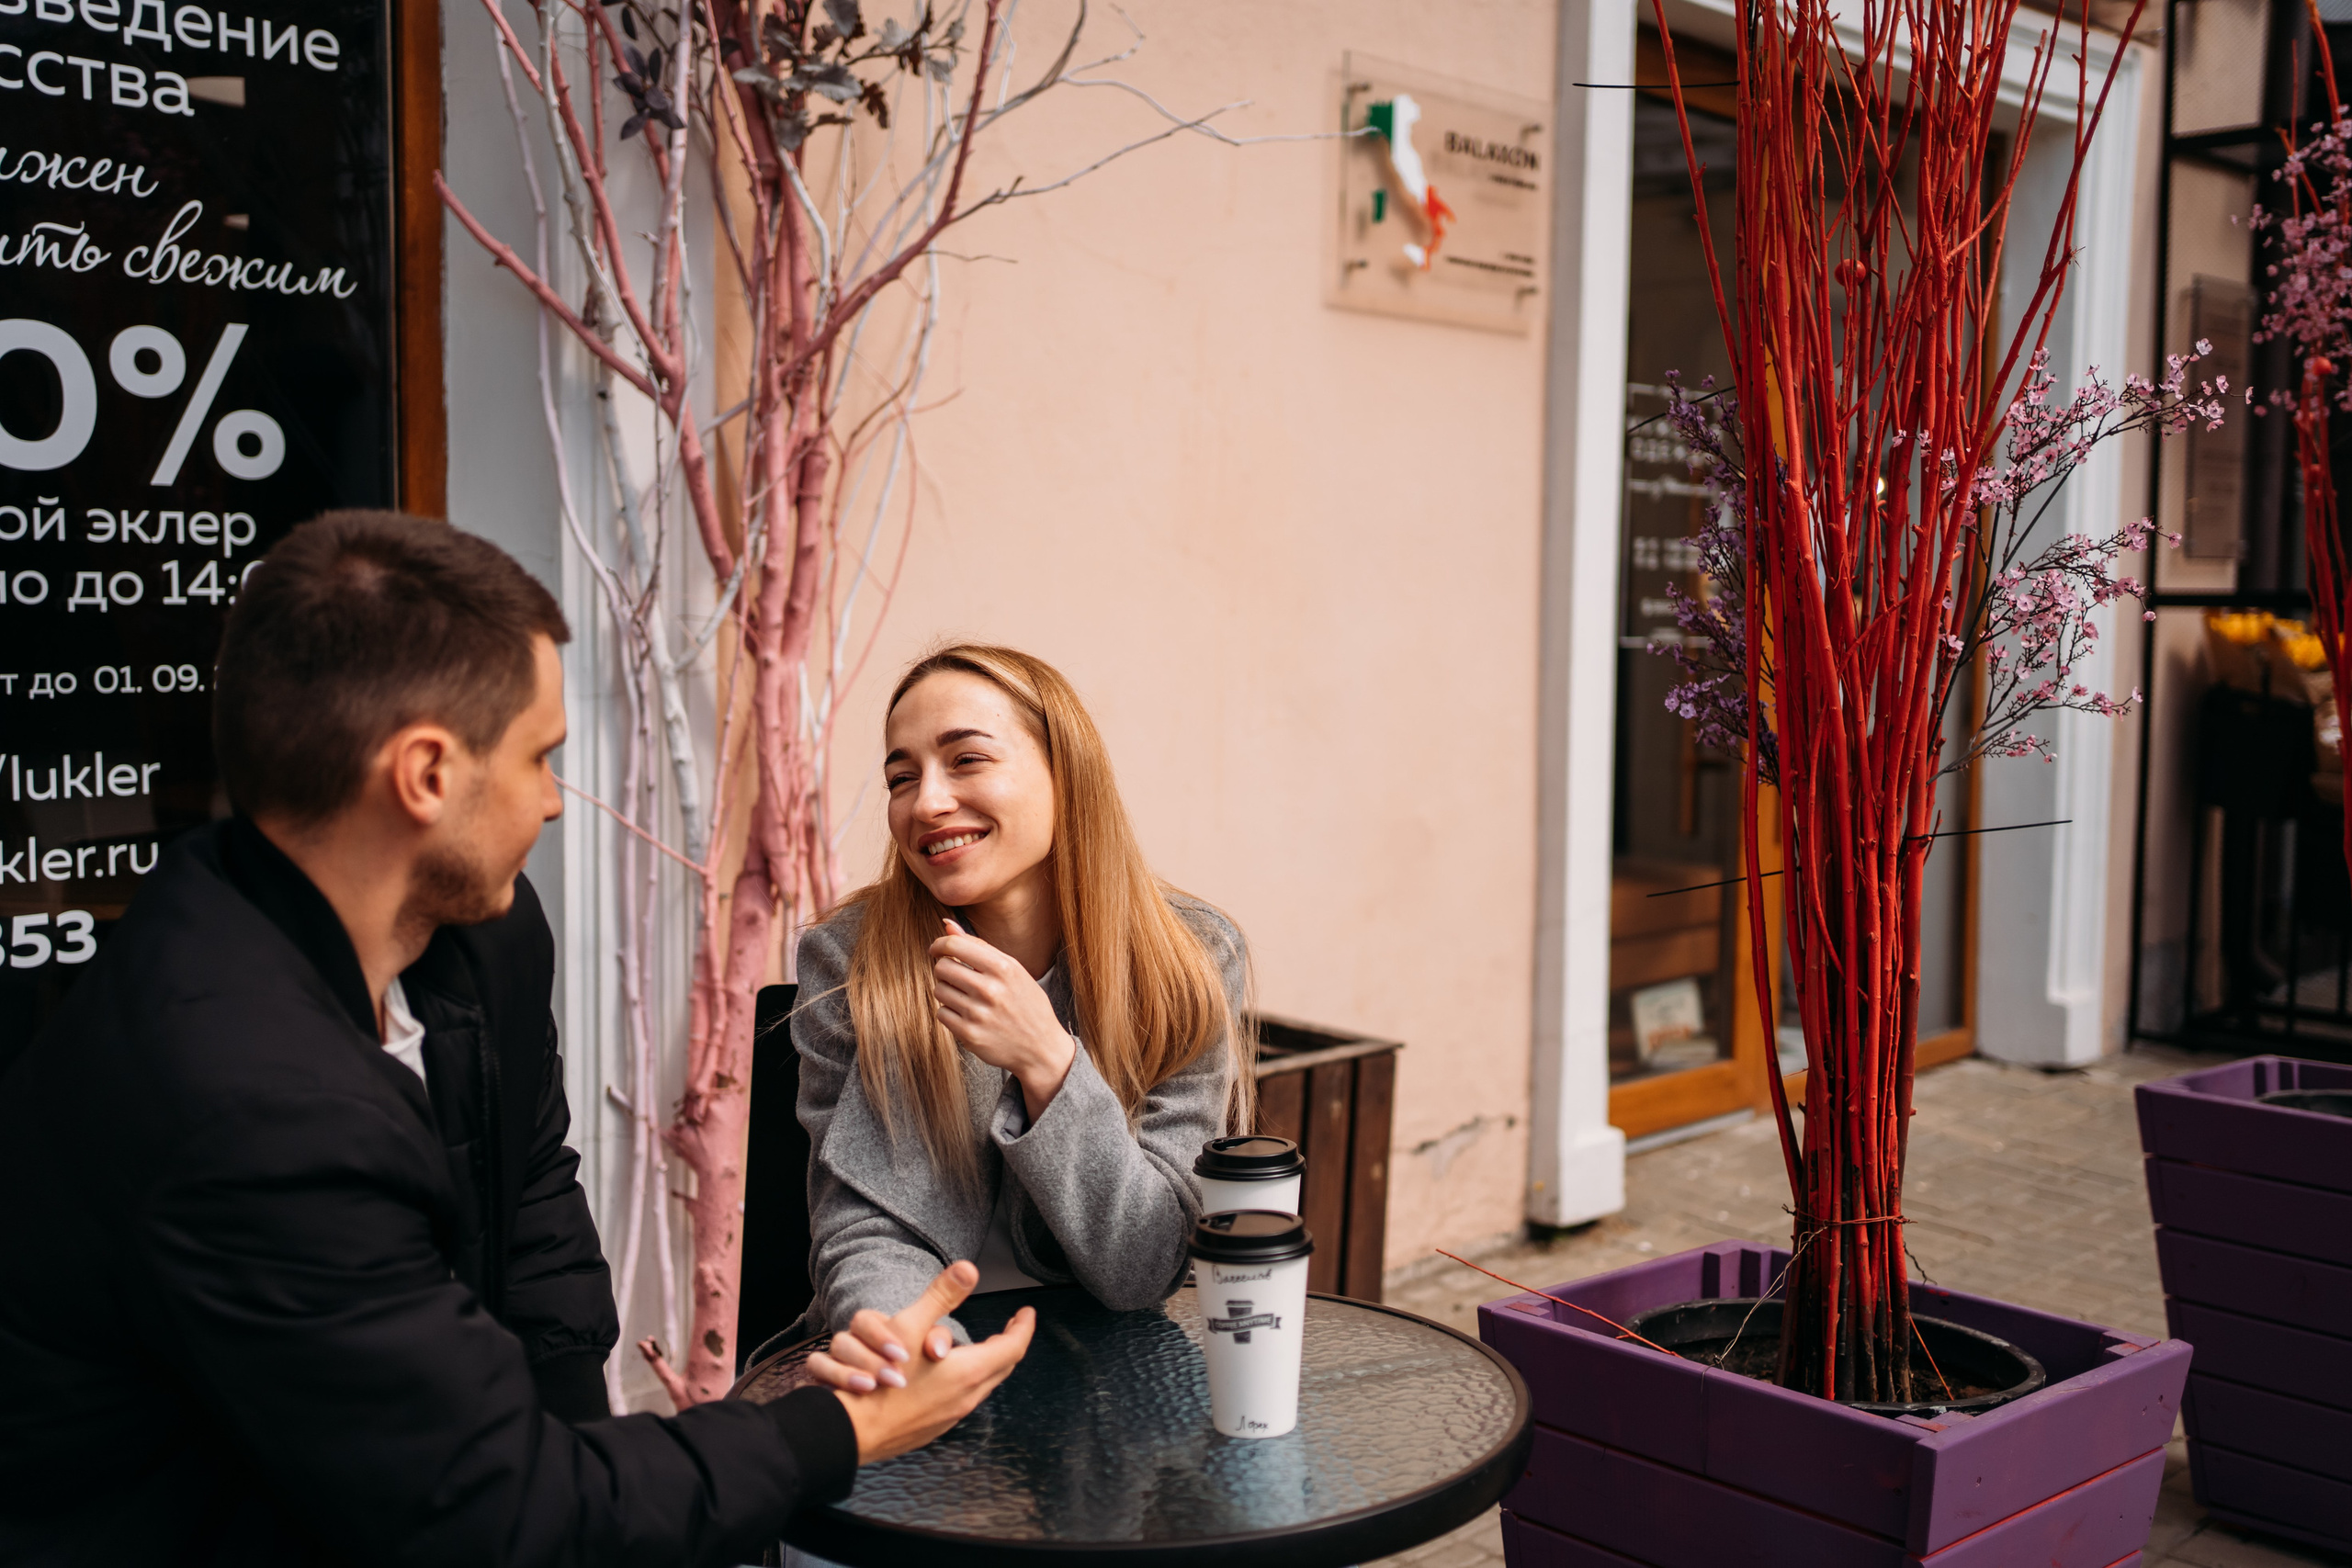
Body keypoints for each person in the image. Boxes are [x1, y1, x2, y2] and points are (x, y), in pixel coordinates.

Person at [0, 512, 1032, 1568]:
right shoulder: (245, 1099)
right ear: (426, 775)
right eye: (539, 756)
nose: (551, 801)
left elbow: (534, 1204)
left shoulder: (479, 936)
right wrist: (841, 1429)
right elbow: (490, 1507)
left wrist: (579, 1473)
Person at [791, 644, 1250, 1394]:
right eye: (901, 777)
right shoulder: (854, 959)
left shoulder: (1188, 957)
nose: (926, 802)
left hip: (1113, 1371)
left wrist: (1048, 1062)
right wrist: (919, 1350)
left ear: (1067, 774)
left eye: (966, 760)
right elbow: (866, 1230)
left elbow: (1145, 1266)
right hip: (918, 1364)